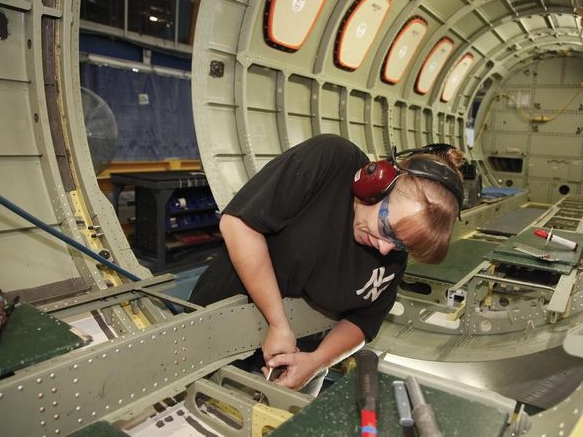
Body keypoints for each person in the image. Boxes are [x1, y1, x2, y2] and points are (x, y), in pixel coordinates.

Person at [189, 133, 464, 392]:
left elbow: (365, 321)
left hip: (297, 359)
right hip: (221, 328)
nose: (385, 247)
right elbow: (239, 225)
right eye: (387, 228)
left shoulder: (392, 249)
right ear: (376, 185)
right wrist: (278, 324)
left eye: (402, 244)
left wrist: (316, 362)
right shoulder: (331, 160)